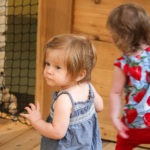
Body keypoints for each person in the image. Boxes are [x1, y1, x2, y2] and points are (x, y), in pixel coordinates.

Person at [21, 34, 103, 150]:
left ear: (80, 74)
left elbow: (57, 132)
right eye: (47, 64)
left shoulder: (64, 99)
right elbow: (99, 107)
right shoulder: (87, 86)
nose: (49, 71)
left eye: (57, 67)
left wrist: (37, 121)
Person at [107, 3, 150, 150]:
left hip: (133, 126)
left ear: (117, 38)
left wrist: (114, 117)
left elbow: (116, 92)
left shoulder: (123, 64)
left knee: (122, 145)